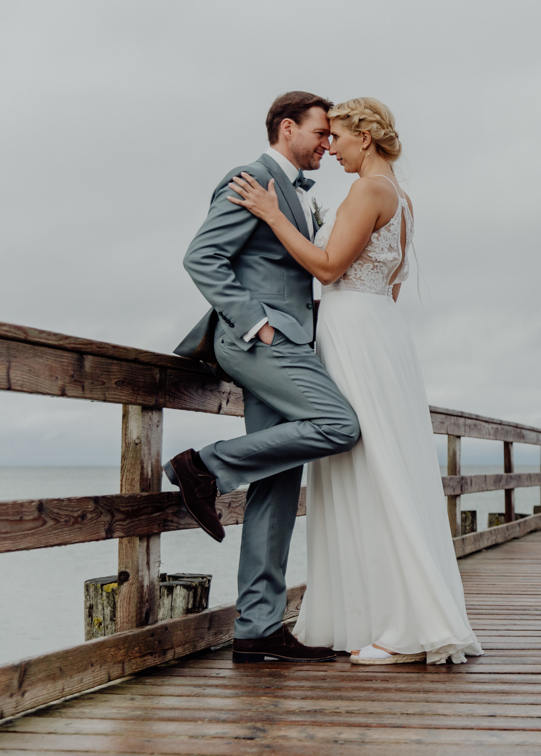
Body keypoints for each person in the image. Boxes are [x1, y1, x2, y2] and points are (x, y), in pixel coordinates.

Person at [227, 97, 482, 666]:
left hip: (354, 333)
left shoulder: (368, 191)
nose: (330, 147)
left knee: (374, 472)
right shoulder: (401, 198)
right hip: (376, 329)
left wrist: (272, 215)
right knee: (372, 467)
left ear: (364, 138)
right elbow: (389, 284)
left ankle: (398, 624)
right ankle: (366, 615)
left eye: (337, 136)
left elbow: (326, 267)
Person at [169, 91, 360, 664]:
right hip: (259, 341)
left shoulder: (295, 194)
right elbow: (202, 257)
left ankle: (258, 629)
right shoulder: (248, 178)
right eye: (320, 133)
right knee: (339, 424)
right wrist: (257, 325)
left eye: (331, 137)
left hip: (289, 339)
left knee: (277, 483)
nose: (328, 144)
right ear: (286, 128)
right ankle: (203, 466)